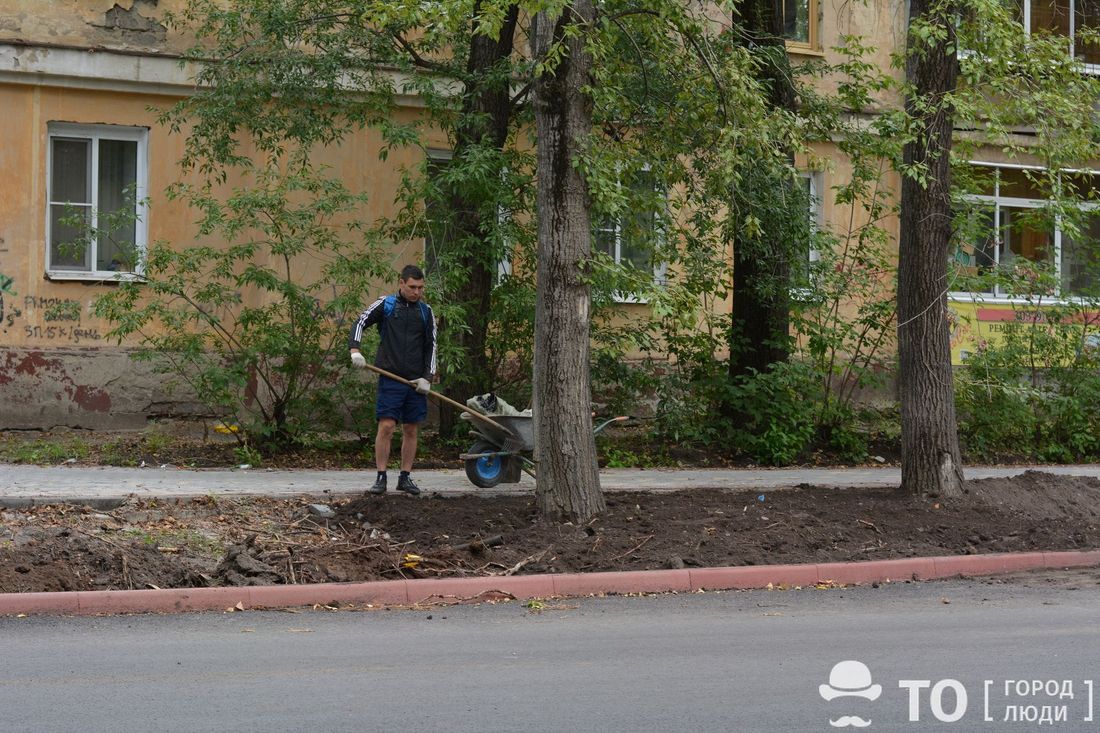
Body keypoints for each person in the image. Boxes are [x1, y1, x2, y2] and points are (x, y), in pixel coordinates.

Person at [349, 264, 437, 496]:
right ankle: (381, 476)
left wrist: (427, 378)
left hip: (415, 381)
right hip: (391, 377)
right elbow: (360, 322)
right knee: (387, 426)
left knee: (410, 428)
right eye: (412, 287)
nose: (416, 292)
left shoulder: (426, 312)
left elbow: (431, 346)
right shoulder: (385, 305)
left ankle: (405, 477)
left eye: (420, 288)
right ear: (401, 283)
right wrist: (355, 351)